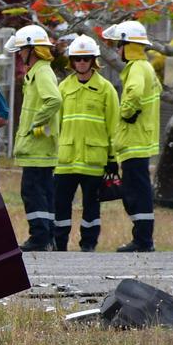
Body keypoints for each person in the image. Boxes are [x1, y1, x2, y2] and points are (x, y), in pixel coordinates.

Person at [52, 35, 118, 252]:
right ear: (72, 61)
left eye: (86, 58)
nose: (81, 62)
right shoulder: (63, 88)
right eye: (78, 59)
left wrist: (113, 159)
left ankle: (88, 245)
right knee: (61, 205)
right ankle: (59, 244)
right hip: (66, 160)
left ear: (93, 60)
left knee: (91, 206)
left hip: (94, 160)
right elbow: (57, 124)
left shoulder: (106, 89)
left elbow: (113, 127)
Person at [102, 20, 161, 252]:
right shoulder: (146, 68)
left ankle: (143, 240)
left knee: (136, 191)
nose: (117, 50)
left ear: (129, 45)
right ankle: (142, 238)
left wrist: (126, 112)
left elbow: (134, 94)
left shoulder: (137, 68)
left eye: (120, 44)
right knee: (137, 189)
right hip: (139, 141)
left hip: (135, 141)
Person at [5, 24, 61, 252]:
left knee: (32, 191)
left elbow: (54, 100)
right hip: (39, 148)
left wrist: (35, 123)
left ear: (32, 49)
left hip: (38, 148)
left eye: (22, 50)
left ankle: (39, 237)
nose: (19, 54)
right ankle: (46, 236)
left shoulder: (42, 72)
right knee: (43, 192)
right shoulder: (37, 73)